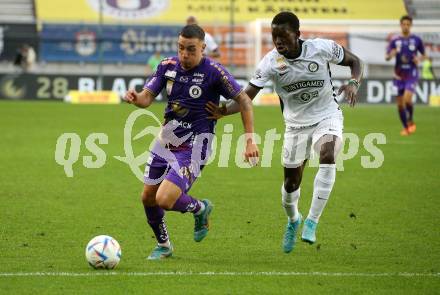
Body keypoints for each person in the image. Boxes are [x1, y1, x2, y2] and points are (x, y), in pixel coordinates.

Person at [206, 12, 363, 253]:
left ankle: (312, 221)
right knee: (291, 184)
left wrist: (354, 83)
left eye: (283, 36)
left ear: (297, 35)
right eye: (274, 36)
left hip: (327, 115)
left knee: (328, 154)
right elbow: (245, 99)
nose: (278, 41)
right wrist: (223, 111)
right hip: (295, 126)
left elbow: (355, 62)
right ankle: (293, 220)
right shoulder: (270, 63)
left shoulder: (321, 48)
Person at [124, 24, 259, 260]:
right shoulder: (167, 67)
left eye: (191, 49)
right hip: (165, 141)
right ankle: (164, 245)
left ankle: (200, 208)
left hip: (196, 146)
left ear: (203, 48)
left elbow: (245, 101)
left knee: (164, 199)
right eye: (181, 48)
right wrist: (136, 98)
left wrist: (249, 140)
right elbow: (147, 98)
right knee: (147, 197)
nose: (184, 54)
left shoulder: (214, 72)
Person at [386, 15, 426, 136]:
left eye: (408, 24)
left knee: (407, 99)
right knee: (399, 105)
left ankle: (410, 119)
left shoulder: (417, 40)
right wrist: (391, 54)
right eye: (404, 24)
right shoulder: (395, 40)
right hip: (398, 75)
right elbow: (387, 57)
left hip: (411, 74)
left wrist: (418, 58)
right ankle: (406, 128)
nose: (406, 26)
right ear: (401, 25)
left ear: (411, 25)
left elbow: (424, 55)